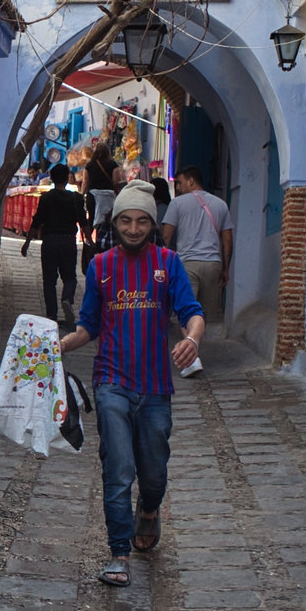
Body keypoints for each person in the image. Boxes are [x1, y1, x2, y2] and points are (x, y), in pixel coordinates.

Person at [58, 183, 204, 586]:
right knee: (119, 468)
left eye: (142, 221)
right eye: (126, 220)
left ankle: (150, 510)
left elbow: (192, 312)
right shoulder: (101, 266)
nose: (134, 228)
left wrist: (192, 339)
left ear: (152, 225)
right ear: (115, 222)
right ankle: (118, 553)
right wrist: (61, 345)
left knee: (154, 472)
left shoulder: (168, 263)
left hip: (156, 388)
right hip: (111, 383)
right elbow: (89, 325)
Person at [160, 165, 235, 378]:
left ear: (191, 180)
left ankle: (190, 357)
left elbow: (165, 237)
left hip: (186, 264)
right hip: (213, 264)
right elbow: (227, 239)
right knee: (202, 313)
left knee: (186, 312)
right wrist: (225, 268)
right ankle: (193, 353)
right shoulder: (221, 204)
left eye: (181, 182)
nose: (180, 187)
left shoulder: (177, 204)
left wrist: (163, 264)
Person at [24, 162, 89, 324]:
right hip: (68, 242)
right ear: (67, 178)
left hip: (50, 241)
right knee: (70, 277)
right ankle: (67, 298)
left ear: (51, 178)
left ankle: (51, 315)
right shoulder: (76, 198)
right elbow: (83, 222)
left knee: (49, 279)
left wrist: (27, 242)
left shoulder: (46, 198)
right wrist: (90, 240)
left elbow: (36, 221)